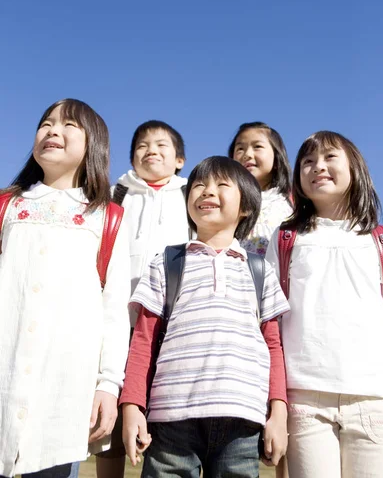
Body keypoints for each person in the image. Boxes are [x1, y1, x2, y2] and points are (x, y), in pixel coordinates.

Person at [120, 156, 290, 477]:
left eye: (222, 185)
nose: (207, 191)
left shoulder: (260, 271)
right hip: (170, 418)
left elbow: (273, 349)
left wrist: (278, 415)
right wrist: (132, 408)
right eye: (198, 185)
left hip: (242, 417)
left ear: (246, 208)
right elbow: (143, 341)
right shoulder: (166, 263)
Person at [0, 99, 130, 478]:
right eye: (46, 123)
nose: (53, 130)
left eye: (68, 125)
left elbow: (114, 311)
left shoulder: (108, 218)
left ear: (95, 144)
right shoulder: (8, 206)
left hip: (65, 386)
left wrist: (108, 385)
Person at [266, 130, 383, 478]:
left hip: (370, 396)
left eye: (329, 158)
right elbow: (270, 324)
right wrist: (275, 401)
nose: (317, 167)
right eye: (307, 162)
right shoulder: (285, 239)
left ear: (355, 168)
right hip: (304, 396)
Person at [96, 120, 190, 478]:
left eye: (162, 145)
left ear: (179, 159)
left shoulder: (189, 194)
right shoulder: (113, 194)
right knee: (109, 423)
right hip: (120, 321)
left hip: (172, 326)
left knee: (166, 420)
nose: (151, 150)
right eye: (142, 145)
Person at [229, 121, 292, 255]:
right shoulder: (228, 200)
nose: (247, 154)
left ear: (277, 158)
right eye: (240, 149)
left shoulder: (292, 201)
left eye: (257, 146)